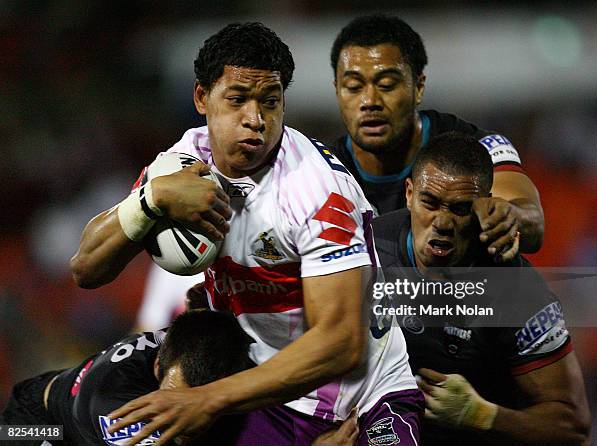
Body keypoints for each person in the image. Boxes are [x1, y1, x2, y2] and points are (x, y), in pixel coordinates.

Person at [70, 22, 422, 446]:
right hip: (261, 386)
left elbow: (341, 345)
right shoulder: (179, 166)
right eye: (238, 100)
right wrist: (151, 198)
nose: (255, 120)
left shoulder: (318, 189)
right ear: (202, 98)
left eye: (270, 102)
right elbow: (87, 268)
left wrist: (206, 400)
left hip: (361, 397)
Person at [371, 132, 591, 445]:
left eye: (460, 209)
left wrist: (482, 415)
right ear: (409, 194)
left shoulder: (514, 288)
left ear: (484, 206)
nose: (442, 223)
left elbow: (574, 426)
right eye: (429, 203)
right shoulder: (365, 250)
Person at [330, 15, 544, 262]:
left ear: (418, 87)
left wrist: (510, 217)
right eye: (354, 86)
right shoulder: (321, 172)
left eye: (387, 85)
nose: (370, 102)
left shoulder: (478, 148)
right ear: (337, 89)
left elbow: (533, 223)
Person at [0, 310, 254, 445]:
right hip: (41, 426)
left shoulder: (199, 345)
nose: (176, 410)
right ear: (157, 367)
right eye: (170, 396)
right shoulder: (113, 400)